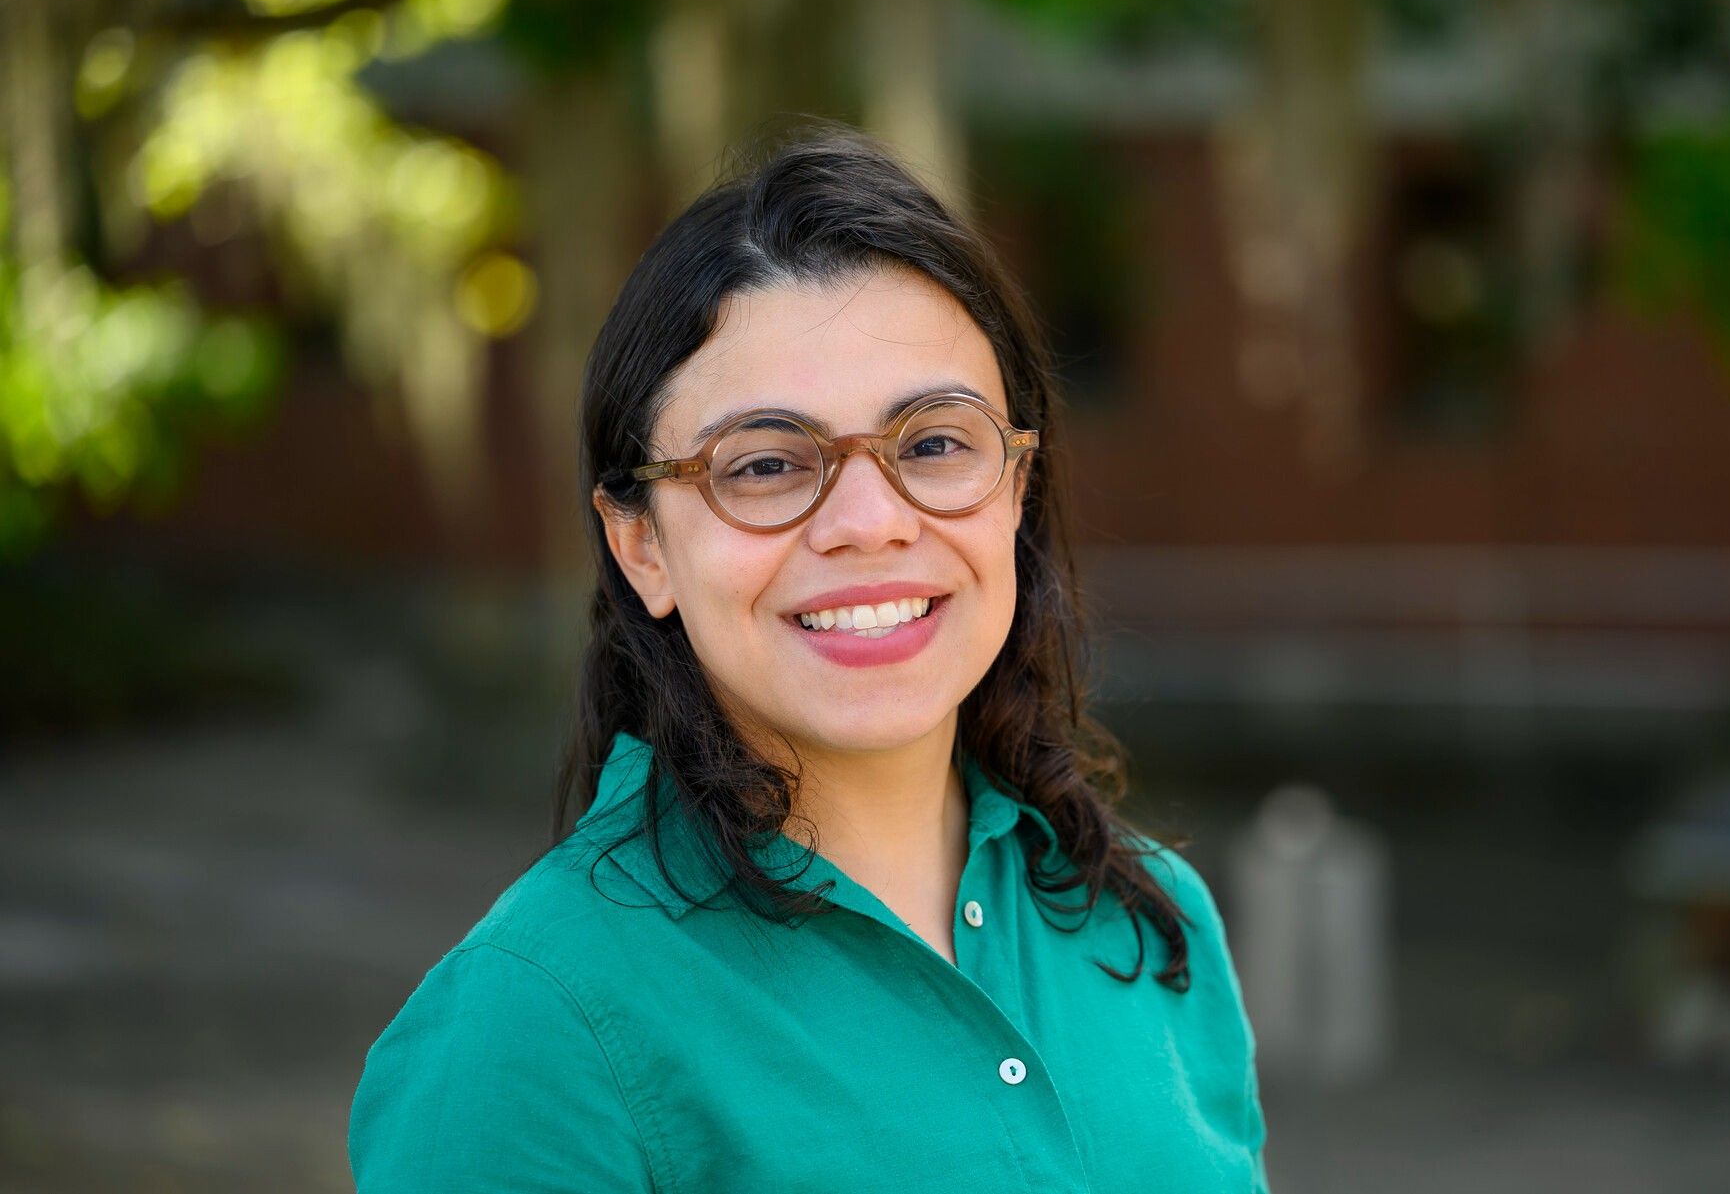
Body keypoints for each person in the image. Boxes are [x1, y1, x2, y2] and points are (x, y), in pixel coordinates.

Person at [348, 122, 1271, 1192]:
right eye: (769, 464)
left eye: (932, 443)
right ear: (641, 545)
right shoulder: (534, 1024)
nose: (870, 522)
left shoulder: (1148, 918)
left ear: (1016, 487)